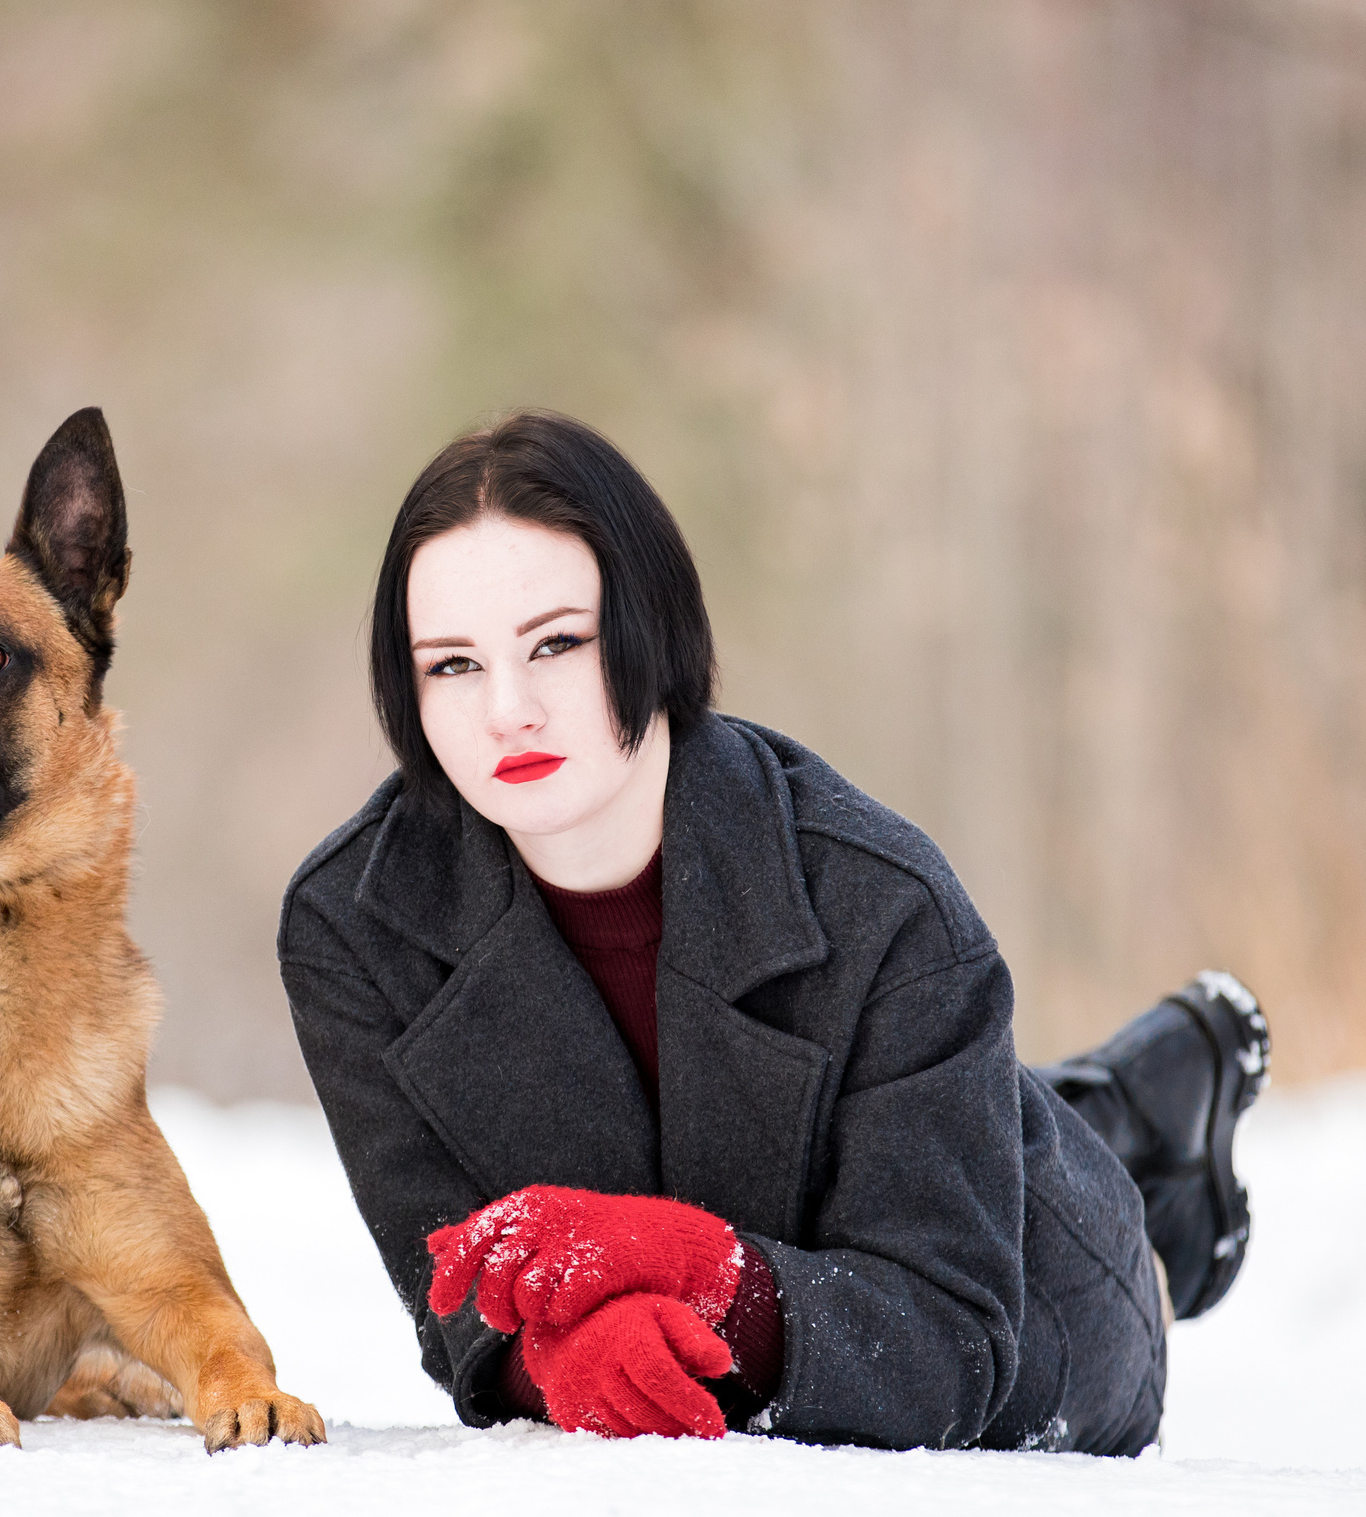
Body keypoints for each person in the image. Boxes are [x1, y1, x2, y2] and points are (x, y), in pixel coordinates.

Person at [277, 411, 1269, 1454]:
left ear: (648, 631)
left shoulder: (880, 896)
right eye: (453, 666)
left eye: (556, 642)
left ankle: (1133, 1166)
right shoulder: (350, 927)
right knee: (958, 1114)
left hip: (1035, 1309)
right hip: (884, 1156)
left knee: (1064, 1196)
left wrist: (715, 1282)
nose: (507, 710)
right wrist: (551, 1363)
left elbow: (952, 1348)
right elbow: (458, 1293)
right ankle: (1125, 1099)